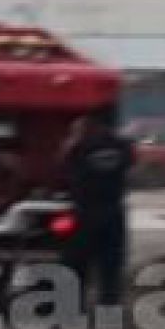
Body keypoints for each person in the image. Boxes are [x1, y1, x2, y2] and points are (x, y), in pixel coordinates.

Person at [62, 106, 137, 311]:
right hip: (113, 211)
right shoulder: (123, 147)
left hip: (85, 212)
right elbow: (130, 165)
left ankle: (72, 308)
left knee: (78, 264)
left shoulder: (81, 145)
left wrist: (74, 136)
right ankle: (108, 310)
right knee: (110, 266)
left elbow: (65, 164)